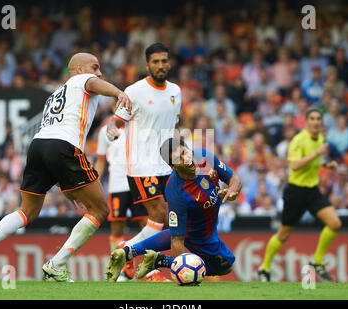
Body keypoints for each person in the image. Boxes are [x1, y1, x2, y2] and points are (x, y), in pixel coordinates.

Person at [0, 52, 132, 282]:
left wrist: (66, 183)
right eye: (95, 67)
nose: (99, 73)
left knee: (27, 211)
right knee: (100, 210)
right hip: (63, 146)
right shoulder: (80, 80)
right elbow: (93, 83)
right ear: (80, 69)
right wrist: (118, 92)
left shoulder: (55, 95)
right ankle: (56, 265)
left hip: (38, 147)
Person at [106, 138, 242, 281]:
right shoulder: (176, 191)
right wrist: (183, 275)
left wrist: (232, 190)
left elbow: (233, 178)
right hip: (199, 234)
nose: (186, 159)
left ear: (190, 150)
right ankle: (159, 260)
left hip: (209, 224)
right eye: (178, 158)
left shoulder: (205, 157)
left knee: (217, 263)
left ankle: (128, 251)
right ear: (174, 167)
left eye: (185, 152)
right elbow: (177, 239)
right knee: (226, 267)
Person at [105, 43, 182, 282]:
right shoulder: (134, 91)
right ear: (147, 65)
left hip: (166, 165)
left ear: (169, 63)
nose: (161, 66)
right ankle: (148, 266)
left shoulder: (176, 92)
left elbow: (172, 126)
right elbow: (116, 121)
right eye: (156, 62)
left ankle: (125, 252)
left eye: (164, 61)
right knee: (159, 213)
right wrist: (111, 130)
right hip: (141, 165)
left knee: (168, 218)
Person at [258, 107, 342, 282]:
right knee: (283, 234)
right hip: (295, 191)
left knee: (334, 223)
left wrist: (327, 165)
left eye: (319, 118)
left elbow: (314, 162)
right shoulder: (298, 140)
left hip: (312, 190)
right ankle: (264, 268)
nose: (316, 122)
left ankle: (317, 261)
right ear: (306, 121)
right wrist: (317, 153)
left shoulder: (320, 138)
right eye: (312, 118)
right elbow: (294, 165)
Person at [94, 116, 148, 281]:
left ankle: (149, 269)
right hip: (117, 185)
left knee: (147, 225)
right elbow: (101, 160)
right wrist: (94, 183)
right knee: (117, 228)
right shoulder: (105, 131)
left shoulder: (140, 128)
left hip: (139, 182)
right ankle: (122, 267)